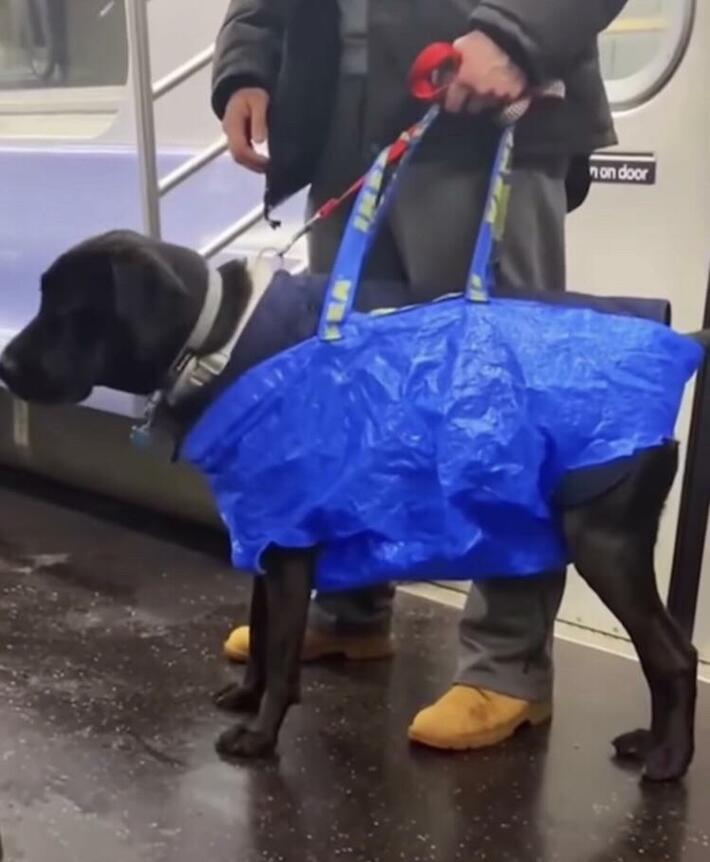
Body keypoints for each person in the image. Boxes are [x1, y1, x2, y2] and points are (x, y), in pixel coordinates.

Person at [210, 0, 628, 751]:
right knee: (357, 394)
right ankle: (348, 608)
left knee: (493, 395)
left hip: (484, 111)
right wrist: (248, 57)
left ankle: (506, 664)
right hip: (341, 126)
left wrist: (516, 35)